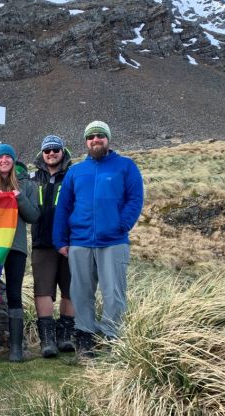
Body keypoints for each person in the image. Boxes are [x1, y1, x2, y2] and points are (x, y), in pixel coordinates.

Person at [52, 121, 144, 358]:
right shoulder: (76, 172)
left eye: (100, 135)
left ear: (108, 139)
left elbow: (135, 199)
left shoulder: (125, 166)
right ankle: (85, 339)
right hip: (80, 242)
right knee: (81, 292)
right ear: (86, 141)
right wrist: (60, 240)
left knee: (114, 293)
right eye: (91, 136)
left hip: (113, 242)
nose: (95, 139)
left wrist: (120, 225)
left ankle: (114, 339)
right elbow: (63, 207)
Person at [0, 143, 39, 363]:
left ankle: (16, 350)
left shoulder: (27, 186)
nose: (4, 160)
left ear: (13, 161)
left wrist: (18, 197)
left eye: (7, 157)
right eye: (0, 157)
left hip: (15, 247)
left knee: (14, 294)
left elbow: (34, 216)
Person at [31, 135, 76, 358]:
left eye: (55, 149)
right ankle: (47, 339)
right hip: (41, 243)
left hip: (70, 242)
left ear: (62, 151)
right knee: (43, 290)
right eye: (47, 150)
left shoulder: (73, 175)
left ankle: (66, 335)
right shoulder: (31, 178)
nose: (51, 153)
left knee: (71, 289)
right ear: (42, 153)